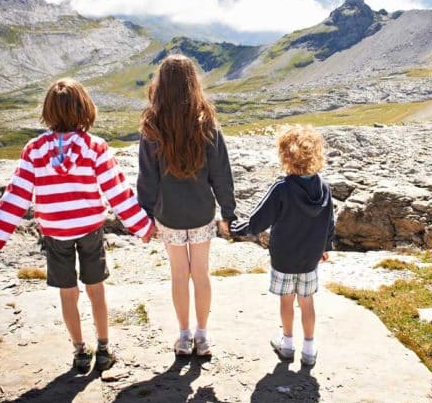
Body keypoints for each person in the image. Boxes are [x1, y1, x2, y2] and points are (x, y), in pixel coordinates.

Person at [0, 79, 154, 373]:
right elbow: (117, 193)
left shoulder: (34, 150)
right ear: (85, 108)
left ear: (48, 111)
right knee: (96, 289)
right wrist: (143, 227)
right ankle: (104, 349)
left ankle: (80, 352)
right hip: (90, 230)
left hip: (55, 233)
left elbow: (15, 198)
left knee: (68, 293)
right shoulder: (95, 147)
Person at [137, 55, 236, 357]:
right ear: (193, 83)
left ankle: (183, 336)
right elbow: (222, 175)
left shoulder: (151, 126)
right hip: (203, 213)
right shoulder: (207, 123)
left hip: (169, 216)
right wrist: (229, 213)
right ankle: (202, 337)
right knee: (202, 273)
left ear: (161, 85)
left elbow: (147, 178)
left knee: (179, 274)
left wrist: (145, 216)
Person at [231, 124, 334, 367]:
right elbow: (329, 221)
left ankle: (287, 344)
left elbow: (259, 220)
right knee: (307, 301)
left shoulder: (282, 188)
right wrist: (325, 247)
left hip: (284, 258)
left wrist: (236, 229)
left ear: (286, 156)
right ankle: (309, 348)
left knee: (286, 300)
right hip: (310, 258)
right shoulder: (324, 188)